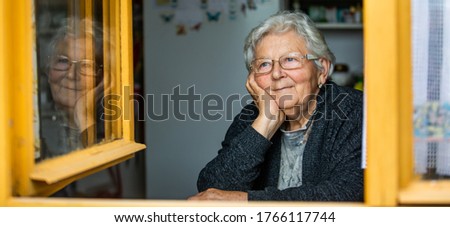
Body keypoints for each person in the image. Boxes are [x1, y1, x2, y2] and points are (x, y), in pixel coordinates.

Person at [188, 11, 363, 201]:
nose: (277, 74)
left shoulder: (355, 110)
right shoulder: (252, 117)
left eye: (290, 60)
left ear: (322, 70)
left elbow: (347, 193)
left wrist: (246, 202)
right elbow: (211, 191)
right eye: (264, 64)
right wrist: (264, 124)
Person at [39, 17, 107, 159]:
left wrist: (83, 117)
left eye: (86, 65)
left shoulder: (113, 126)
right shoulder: (30, 124)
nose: (72, 74)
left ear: (100, 78)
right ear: (48, 69)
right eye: (63, 61)